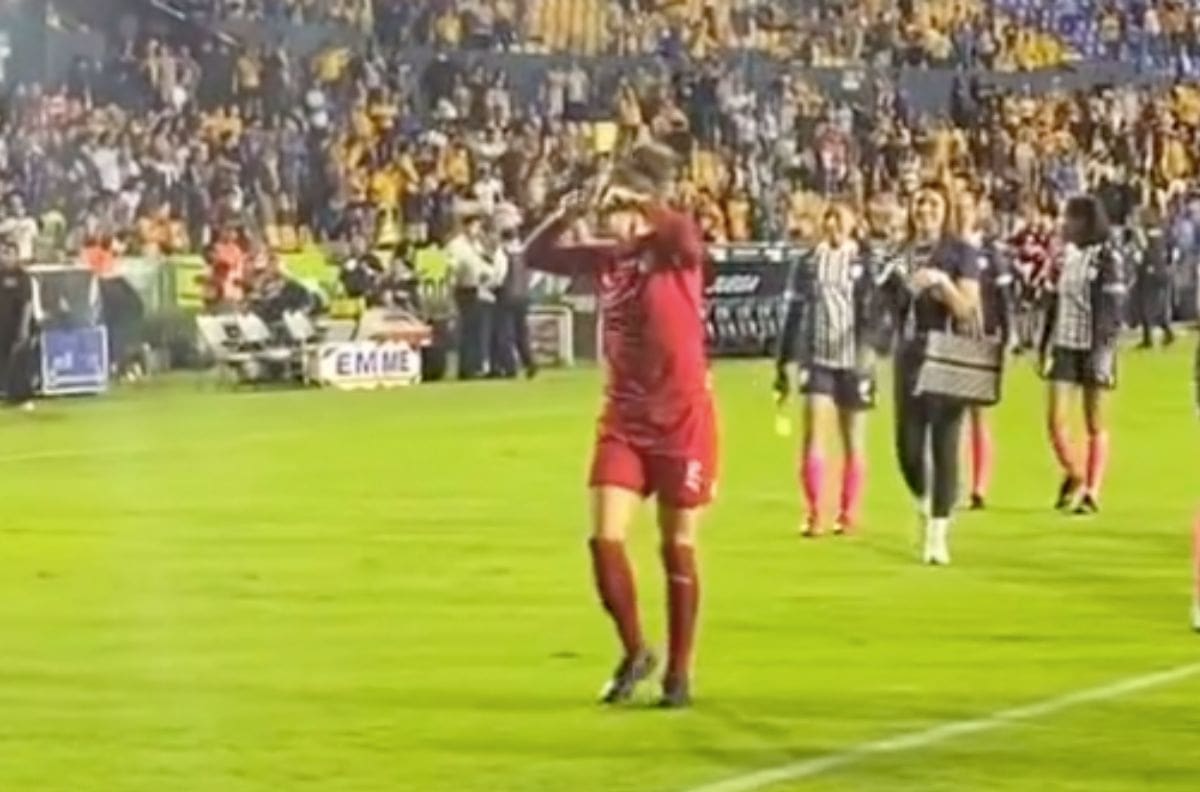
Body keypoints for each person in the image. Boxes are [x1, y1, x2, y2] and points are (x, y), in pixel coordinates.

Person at [523, 143, 716, 708]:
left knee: (676, 545)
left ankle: (679, 672)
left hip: (682, 418)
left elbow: (685, 235)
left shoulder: (671, 247)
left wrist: (643, 203)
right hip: (625, 418)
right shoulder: (606, 257)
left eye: (615, 198)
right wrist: (566, 212)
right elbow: (535, 255)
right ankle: (636, 650)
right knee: (604, 538)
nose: (607, 209)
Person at [893, 184, 982, 566]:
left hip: (946, 352)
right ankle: (925, 501)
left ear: (945, 210)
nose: (924, 210)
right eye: (920, 203)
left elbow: (966, 309)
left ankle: (937, 534)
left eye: (933, 203)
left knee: (944, 446)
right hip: (909, 355)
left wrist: (941, 283)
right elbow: (888, 307)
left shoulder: (960, 253)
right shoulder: (902, 252)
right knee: (908, 448)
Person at [774, 204, 874, 537]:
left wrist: (873, 345)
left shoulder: (864, 262)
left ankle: (848, 513)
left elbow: (879, 310)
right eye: (829, 219)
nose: (833, 225)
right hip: (817, 356)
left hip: (854, 361)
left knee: (853, 440)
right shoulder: (808, 263)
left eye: (840, 219)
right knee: (814, 434)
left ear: (852, 224)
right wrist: (783, 359)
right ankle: (815, 511)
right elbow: (794, 311)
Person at [1040, 195, 1126, 515]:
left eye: (1071, 219)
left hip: (1094, 345)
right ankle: (1074, 471)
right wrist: (1044, 342)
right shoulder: (1067, 256)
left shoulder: (1107, 256)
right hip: (1065, 343)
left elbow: (1113, 306)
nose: (1065, 224)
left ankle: (1092, 490)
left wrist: (1103, 347)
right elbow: (1054, 301)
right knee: (1055, 420)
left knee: (1094, 420)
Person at [448, 209, 501, 380]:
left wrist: (488, 273)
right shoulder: (456, 245)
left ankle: (476, 365)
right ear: (466, 226)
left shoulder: (477, 244)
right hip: (464, 289)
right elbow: (451, 267)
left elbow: (484, 262)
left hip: (480, 288)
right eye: (474, 225)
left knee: (478, 331)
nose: (476, 229)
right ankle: (467, 368)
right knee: (468, 331)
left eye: (478, 226)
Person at [0, 238, 36, 410]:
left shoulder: (23, 277)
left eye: (9, 253)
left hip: (16, 324)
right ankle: (5, 393)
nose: (5, 257)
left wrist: (24, 326)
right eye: (3, 253)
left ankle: (22, 397)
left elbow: (27, 303)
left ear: (17, 256)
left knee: (20, 362)